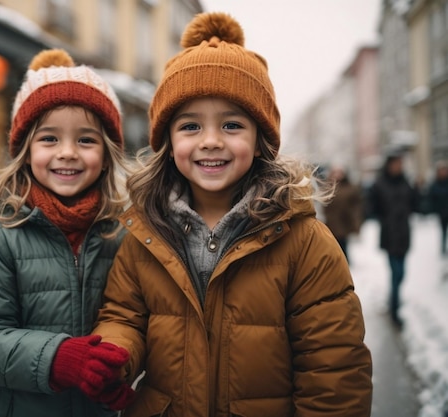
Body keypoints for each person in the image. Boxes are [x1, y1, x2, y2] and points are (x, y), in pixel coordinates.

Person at [92, 12, 373, 417]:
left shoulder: (304, 242)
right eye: (190, 126)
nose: (210, 141)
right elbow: (125, 316)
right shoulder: (144, 233)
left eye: (231, 125)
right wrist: (115, 353)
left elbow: (333, 368)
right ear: (168, 143)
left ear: (260, 141)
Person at [0, 49, 135, 417]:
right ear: (25, 150)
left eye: (86, 140)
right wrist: (57, 358)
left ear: (107, 153)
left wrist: (121, 369)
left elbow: (135, 319)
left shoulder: (123, 233)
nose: (67, 153)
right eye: (49, 139)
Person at [368, 152, 417, 328]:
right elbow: (371, 206)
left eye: (400, 164)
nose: (398, 167)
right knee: (396, 273)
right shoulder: (380, 184)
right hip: (389, 234)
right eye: (395, 164)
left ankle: (393, 300)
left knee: (401, 273)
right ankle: (395, 310)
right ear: (389, 165)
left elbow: (415, 203)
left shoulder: (406, 183)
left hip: (404, 233)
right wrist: (382, 217)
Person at [322, 165, 364, 262]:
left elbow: (355, 206)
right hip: (331, 222)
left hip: (345, 221)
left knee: (342, 244)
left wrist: (356, 223)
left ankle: (344, 262)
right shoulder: (327, 187)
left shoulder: (350, 188)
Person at [429, 160, 448, 255]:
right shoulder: (435, 184)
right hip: (442, 212)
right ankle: (443, 248)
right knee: (443, 231)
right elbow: (432, 197)